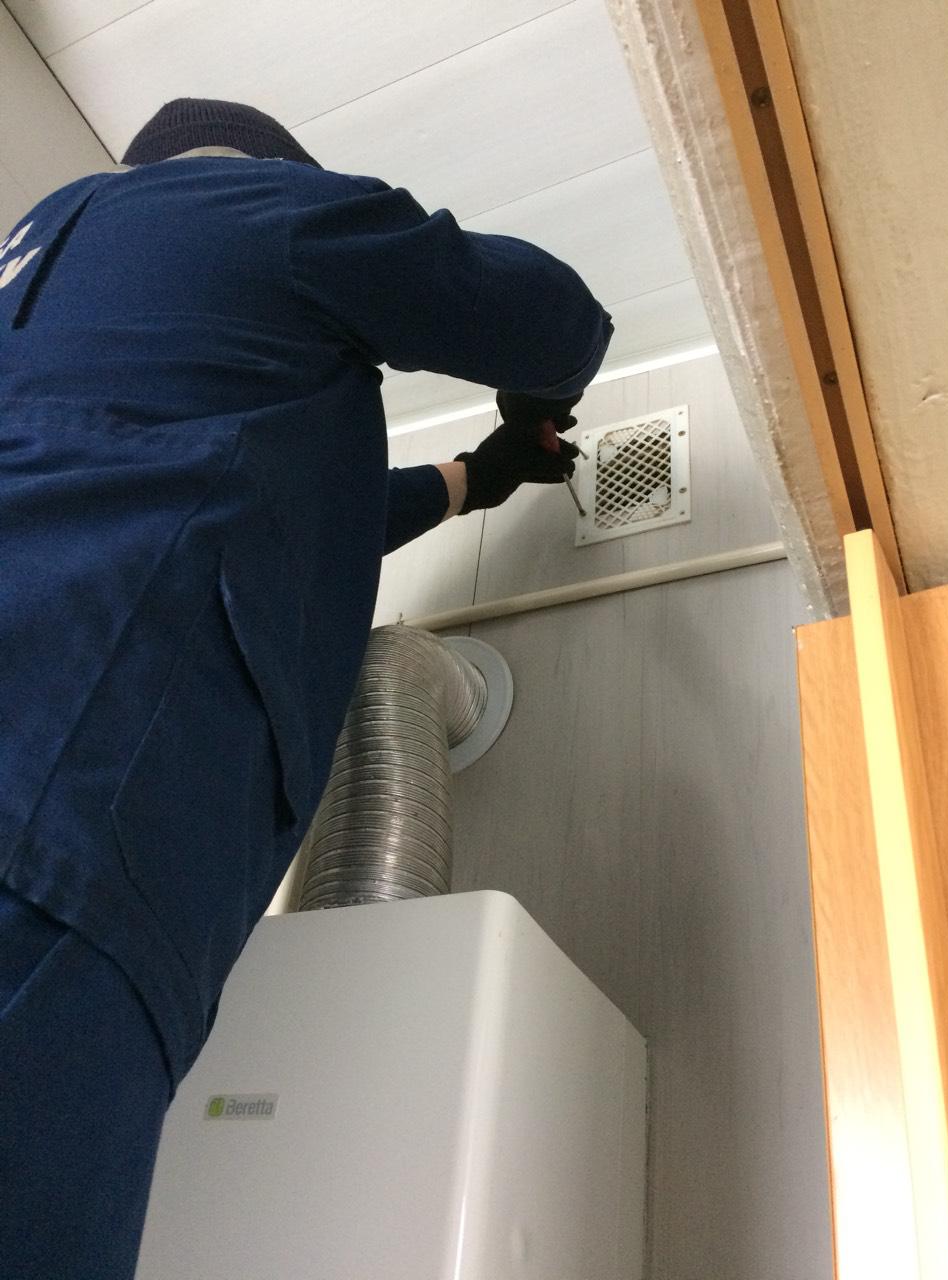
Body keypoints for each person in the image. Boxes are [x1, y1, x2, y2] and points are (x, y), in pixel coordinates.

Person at [0, 98, 612, 1278]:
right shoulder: (254, 207)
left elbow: (277, 509)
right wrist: (537, 394)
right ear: (279, 174)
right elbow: (557, 319)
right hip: (62, 830)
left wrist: (471, 479)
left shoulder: (46, 288)